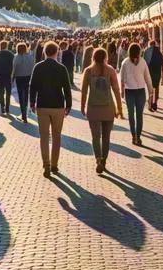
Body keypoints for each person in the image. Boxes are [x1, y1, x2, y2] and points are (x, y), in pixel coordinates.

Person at [30, 41, 72, 177]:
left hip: (42, 105)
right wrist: (69, 105)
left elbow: (33, 86)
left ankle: (46, 164)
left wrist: (32, 102)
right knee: (56, 136)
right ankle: (54, 164)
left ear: (44, 52)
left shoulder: (38, 67)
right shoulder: (61, 68)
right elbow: (67, 88)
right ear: (57, 52)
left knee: (43, 136)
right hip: (58, 105)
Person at [81, 46, 122, 175]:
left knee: (95, 136)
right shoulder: (111, 70)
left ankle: (98, 159)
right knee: (106, 137)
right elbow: (116, 90)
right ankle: (104, 160)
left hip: (93, 108)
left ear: (92, 57)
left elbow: (84, 91)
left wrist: (82, 106)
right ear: (106, 57)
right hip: (108, 107)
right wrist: (119, 108)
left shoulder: (88, 71)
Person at [119, 42, 154, 146]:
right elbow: (147, 77)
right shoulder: (143, 62)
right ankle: (138, 136)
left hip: (129, 91)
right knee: (139, 115)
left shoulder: (125, 62)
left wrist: (122, 90)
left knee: (131, 114)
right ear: (139, 51)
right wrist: (151, 91)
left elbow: (122, 78)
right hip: (140, 91)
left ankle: (133, 135)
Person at [11, 41, 37, 123]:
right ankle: (25, 110)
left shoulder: (16, 57)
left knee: (20, 94)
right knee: (26, 95)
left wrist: (12, 78)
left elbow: (14, 68)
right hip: (28, 77)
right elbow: (33, 67)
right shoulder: (30, 57)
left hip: (19, 78)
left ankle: (23, 114)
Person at [0, 40, 16, 116]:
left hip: (0, 75)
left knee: (1, 92)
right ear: (6, 46)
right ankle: (7, 108)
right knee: (8, 92)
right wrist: (13, 75)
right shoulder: (11, 54)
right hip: (8, 75)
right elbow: (14, 66)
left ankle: (2, 107)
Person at [144, 39, 163, 111]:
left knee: (150, 89)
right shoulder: (159, 52)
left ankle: (150, 104)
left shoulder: (146, 52)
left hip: (149, 73)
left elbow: (145, 63)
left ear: (150, 45)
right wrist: (162, 77)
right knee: (156, 88)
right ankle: (155, 102)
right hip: (157, 72)